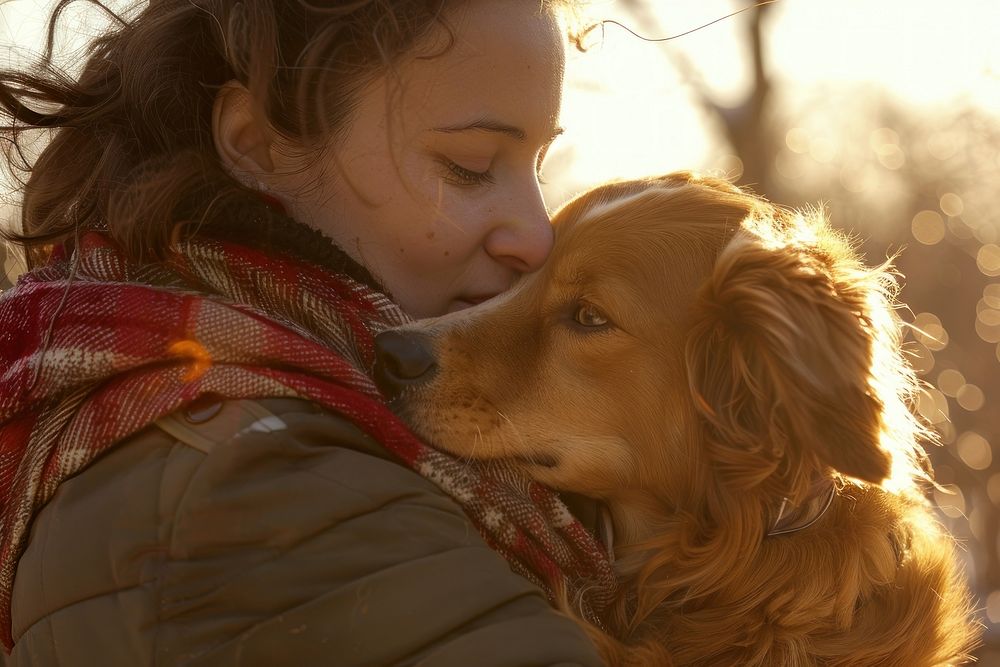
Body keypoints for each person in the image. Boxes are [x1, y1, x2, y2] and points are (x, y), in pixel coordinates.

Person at [0, 0, 616, 664]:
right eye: (469, 164)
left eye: (538, 165)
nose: (536, 233)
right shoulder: (251, 475)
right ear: (257, 145)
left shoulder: (246, 420)